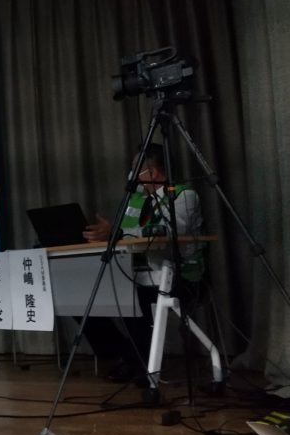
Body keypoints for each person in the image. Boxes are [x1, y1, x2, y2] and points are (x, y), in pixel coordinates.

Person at [80, 143, 203, 383]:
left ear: (153, 172)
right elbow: (124, 236)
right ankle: (127, 353)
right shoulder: (134, 201)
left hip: (181, 277)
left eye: (135, 169)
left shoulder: (182, 196)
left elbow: (168, 232)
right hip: (136, 274)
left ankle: (140, 362)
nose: (131, 175)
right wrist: (106, 235)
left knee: (130, 295)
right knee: (87, 295)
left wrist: (116, 233)